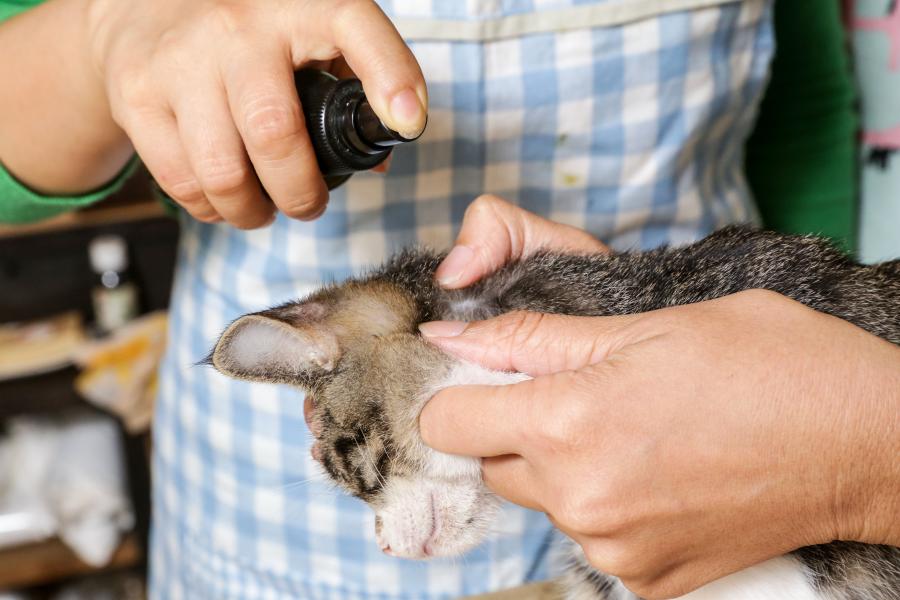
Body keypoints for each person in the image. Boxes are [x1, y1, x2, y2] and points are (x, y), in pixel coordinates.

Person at [1, 0, 893, 598]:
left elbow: (803, 112)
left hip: (723, 413)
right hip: (277, 525)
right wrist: (104, 31)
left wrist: (823, 377)